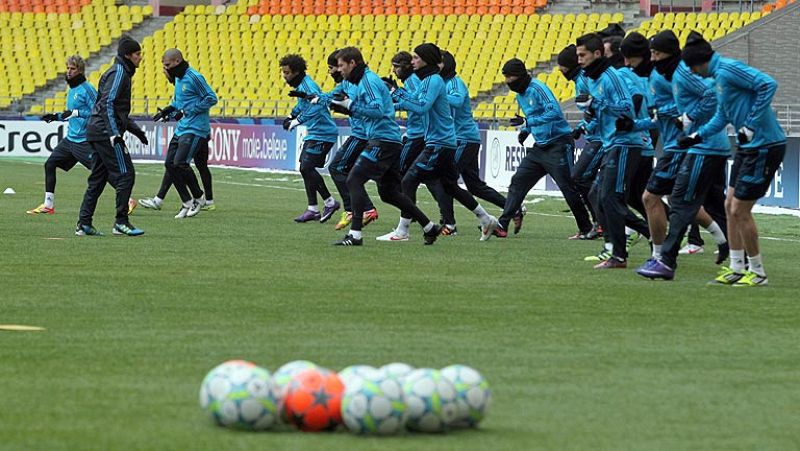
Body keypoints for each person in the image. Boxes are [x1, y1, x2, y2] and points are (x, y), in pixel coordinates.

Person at [653, 31, 786, 286]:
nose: (692, 72)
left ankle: (758, 272)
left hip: (766, 144)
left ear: (700, 62)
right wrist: (696, 137)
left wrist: (750, 124)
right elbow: (722, 116)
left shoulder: (727, 69)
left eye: (692, 67)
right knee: (728, 206)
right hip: (749, 146)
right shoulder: (716, 79)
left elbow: (768, 84)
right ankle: (737, 267)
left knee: (739, 209)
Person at [327, 47, 441, 246]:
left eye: (341, 65)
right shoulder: (361, 80)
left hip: (383, 141)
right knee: (388, 193)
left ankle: (355, 235)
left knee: (353, 179)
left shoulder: (368, 81)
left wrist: (350, 105)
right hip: (386, 140)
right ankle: (429, 227)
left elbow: (378, 110)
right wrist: (347, 108)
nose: (339, 70)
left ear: (352, 63)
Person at [389, 43, 499, 241]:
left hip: (438, 142)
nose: (412, 61)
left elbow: (421, 106)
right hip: (444, 141)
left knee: (408, 180)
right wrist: (391, 101)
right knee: (449, 186)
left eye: (415, 58)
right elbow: (414, 100)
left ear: (426, 59)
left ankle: (404, 230)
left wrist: (395, 94)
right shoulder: (428, 80)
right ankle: (485, 218)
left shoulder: (433, 80)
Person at [494, 57, 592, 239]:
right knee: (518, 181)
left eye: (510, 78)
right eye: (506, 78)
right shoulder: (520, 95)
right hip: (540, 147)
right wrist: (527, 129)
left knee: (568, 187)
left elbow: (554, 111)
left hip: (559, 144)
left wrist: (528, 122)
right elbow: (533, 115)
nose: (508, 82)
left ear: (520, 76)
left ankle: (587, 228)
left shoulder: (538, 88)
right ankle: (502, 224)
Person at [29, 55, 137, 216]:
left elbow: (98, 111)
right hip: (70, 140)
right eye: (68, 68)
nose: (69, 72)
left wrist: (76, 112)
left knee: (100, 172)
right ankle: (48, 204)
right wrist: (55, 117)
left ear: (80, 70)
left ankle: (128, 199)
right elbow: (71, 114)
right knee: (49, 164)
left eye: (72, 69)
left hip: (84, 141)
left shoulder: (88, 89)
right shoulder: (72, 89)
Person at [575, 33, 642, 268]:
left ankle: (623, 251)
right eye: (577, 55)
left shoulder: (610, 77)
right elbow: (601, 114)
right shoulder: (592, 78)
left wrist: (596, 104)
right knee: (604, 197)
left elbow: (627, 108)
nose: (579, 60)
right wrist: (588, 120)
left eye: (582, 55)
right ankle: (623, 248)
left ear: (597, 54)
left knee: (609, 198)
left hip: (625, 142)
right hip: (611, 143)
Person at [375, 51, 451, 241]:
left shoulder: (417, 81)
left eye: (397, 66)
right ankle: (440, 219)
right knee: (426, 179)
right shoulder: (417, 80)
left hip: (418, 136)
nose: (394, 70)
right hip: (420, 135)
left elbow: (418, 104)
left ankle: (408, 220)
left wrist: (394, 97)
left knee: (399, 177)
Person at [76, 35, 147, 236]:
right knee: (126, 174)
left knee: (98, 178)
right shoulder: (119, 73)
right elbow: (107, 104)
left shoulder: (118, 72)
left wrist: (136, 131)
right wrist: (114, 133)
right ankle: (120, 222)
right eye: (137, 54)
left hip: (97, 130)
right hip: (105, 132)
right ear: (128, 55)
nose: (140, 58)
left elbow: (115, 109)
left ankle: (84, 223)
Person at [436, 50, 508, 236]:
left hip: (463, 138)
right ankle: (512, 207)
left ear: (447, 64)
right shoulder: (441, 83)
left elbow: (458, 100)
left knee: (445, 180)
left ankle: (449, 224)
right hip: (462, 139)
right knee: (474, 185)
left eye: (439, 62)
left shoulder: (454, 83)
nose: (435, 66)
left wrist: (438, 96)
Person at [144, 49, 217, 219]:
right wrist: (169, 111)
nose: (166, 69)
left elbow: (211, 98)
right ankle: (187, 202)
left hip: (196, 128)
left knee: (181, 163)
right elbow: (179, 101)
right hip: (182, 127)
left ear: (177, 61)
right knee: (170, 164)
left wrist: (188, 110)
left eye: (167, 65)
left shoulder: (194, 77)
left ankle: (199, 198)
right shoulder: (178, 79)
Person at [317, 49, 379, 231]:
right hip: (365, 134)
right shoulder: (348, 82)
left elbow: (374, 108)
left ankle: (355, 210)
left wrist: (348, 105)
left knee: (337, 168)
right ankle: (420, 223)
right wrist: (313, 98)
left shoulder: (362, 82)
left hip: (362, 134)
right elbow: (331, 97)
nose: (333, 72)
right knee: (387, 182)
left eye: (334, 67)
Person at [280, 54, 340, 223]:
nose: (285, 76)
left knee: (307, 167)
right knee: (304, 168)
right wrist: (290, 115)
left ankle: (330, 202)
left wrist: (297, 121)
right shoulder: (302, 85)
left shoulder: (308, 85)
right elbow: (302, 105)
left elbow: (319, 106)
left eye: (287, 73)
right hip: (314, 132)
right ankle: (313, 209)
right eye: (283, 72)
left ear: (297, 71)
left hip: (324, 133)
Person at [557, 44, 602, 240]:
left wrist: (587, 126)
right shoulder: (580, 80)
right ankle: (599, 222)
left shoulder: (584, 80)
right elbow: (590, 110)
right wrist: (582, 126)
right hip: (594, 135)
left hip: (601, 138)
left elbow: (596, 107)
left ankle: (603, 222)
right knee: (582, 179)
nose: (560, 70)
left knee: (579, 177)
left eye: (562, 65)